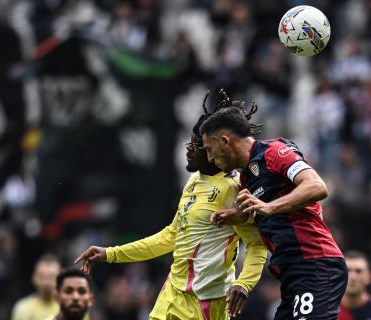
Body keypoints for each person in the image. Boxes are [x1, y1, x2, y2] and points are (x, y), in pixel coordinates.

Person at [74, 92, 267, 320]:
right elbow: (170, 237)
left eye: (196, 145)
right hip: (172, 294)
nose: (188, 149)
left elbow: (256, 244)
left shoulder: (233, 187)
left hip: (206, 302)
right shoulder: (194, 181)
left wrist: (244, 284)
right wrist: (111, 253)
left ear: (214, 147)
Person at [201, 106, 348, 319]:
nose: (209, 158)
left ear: (224, 141)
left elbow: (317, 186)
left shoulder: (275, 152)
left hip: (316, 264)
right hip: (292, 274)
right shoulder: (246, 178)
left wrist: (268, 207)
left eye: (209, 149)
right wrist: (241, 216)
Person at [12, 255, 61, 320]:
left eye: (51, 277)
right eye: (42, 277)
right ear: (34, 278)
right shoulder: (22, 308)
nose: (46, 282)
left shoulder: (67, 307)